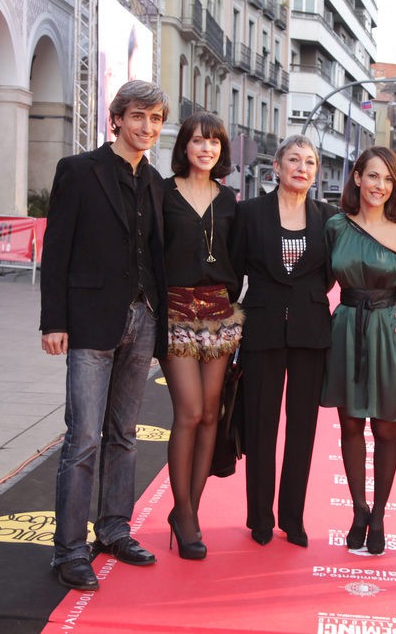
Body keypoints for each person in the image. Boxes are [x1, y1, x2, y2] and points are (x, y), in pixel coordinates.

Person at [40, 80, 169, 590]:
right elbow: (57, 248)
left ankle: (114, 529)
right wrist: (54, 320)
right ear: (116, 119)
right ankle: (69, 551)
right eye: (138, 117)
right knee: (82, 440)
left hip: (142, 319)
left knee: (125, 436)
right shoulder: (78, 171)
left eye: (155, 119)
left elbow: (156, 256)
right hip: (91, 321)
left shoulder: (156, 181)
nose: (147, 127)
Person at [230, 135, 340, 547]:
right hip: (261, 330)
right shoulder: (249, 214)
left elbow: (327, 274)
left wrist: (304, 300)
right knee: (261, 426)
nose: (302, 167)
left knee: (302, 429)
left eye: (309, 162)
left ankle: (292, 518)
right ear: (275, 167)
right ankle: (259, 517)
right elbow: (236, 269)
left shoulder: (329, 218)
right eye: (293, 159)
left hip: (311, 333)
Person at [321, 147, 396, 555]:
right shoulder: (335, 226)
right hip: (346, 327)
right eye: (373, 176)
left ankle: (379, 514)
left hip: (387, 331)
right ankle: (358, 510)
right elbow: (320, 281)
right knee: (350, 426)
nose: (380, 186)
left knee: (385, 428)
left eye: (388, 179)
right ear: (357, 177)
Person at [160, 112, 241, 560]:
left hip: (219, 310)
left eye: (213, 142)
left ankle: (190, 510)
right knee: (188, 411)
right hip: (175, 309)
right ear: (185, 148)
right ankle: (183, 512)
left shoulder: (229, 200)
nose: (205, 149)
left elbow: (240, 258)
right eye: (197, 141)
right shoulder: (163, 193)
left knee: (212, 412)